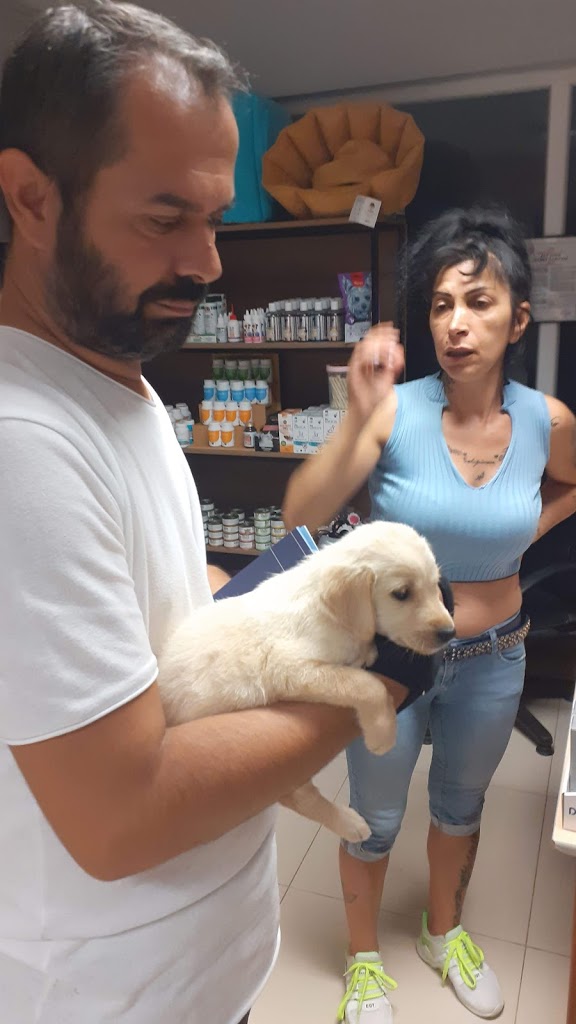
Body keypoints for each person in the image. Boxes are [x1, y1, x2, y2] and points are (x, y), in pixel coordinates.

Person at [0, 4, 383, 1022]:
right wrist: (376, 673)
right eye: (165, 219)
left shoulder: (113, 379)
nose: (209, 262)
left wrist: (273, 598)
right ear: (31, 197)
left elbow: (159, 608)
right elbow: (121, 816)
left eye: (214, 218)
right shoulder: (20, 442)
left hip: (201, 972)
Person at [284, 206, 576, 1023]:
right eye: (442, 304)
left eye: (479, 302)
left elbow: (570, 483)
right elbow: (299, 514)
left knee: (460, 808)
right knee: (374, 818)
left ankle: (442, 933)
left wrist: (530, 527)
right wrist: (355, 413)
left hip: (495, 658)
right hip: (392, 663)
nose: (456, 323)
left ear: (519, 317)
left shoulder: (549, 421)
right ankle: (363, 962)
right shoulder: (395, 411)